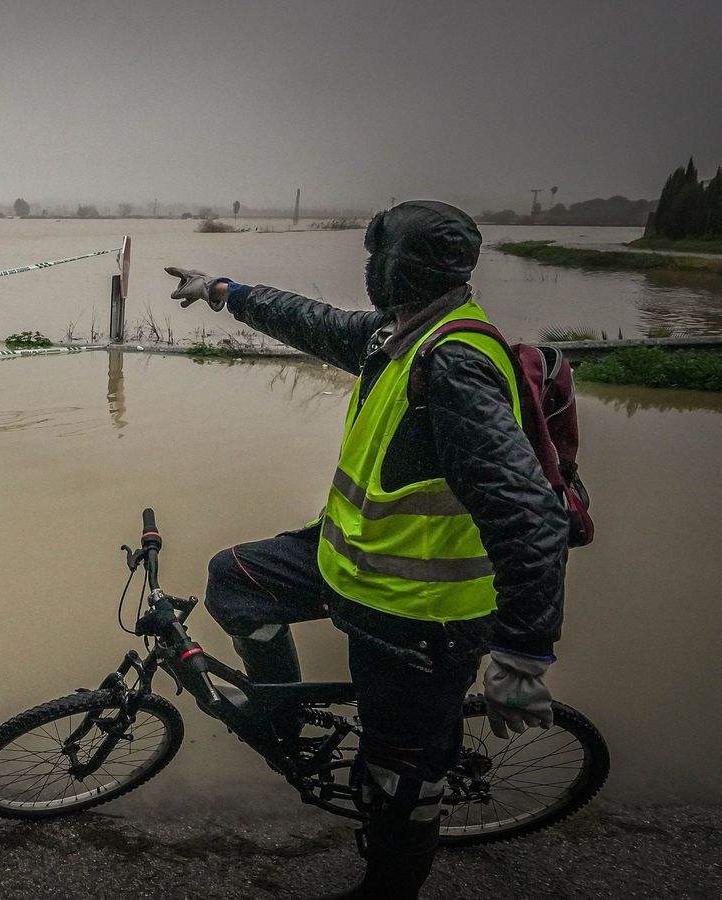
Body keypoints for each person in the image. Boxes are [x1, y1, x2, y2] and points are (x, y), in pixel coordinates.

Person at [165, 200, 567, 899]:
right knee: (235, 579)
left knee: (399, 779)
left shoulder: (453, 365)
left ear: (401, 265)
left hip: (419, 616)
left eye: (375, 255)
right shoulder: (397, 334)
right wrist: (224, 292)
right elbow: (312, 321)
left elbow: (531, 517)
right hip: (351, 567)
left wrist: (524, 652)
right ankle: (279, 716)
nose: (367, 267)